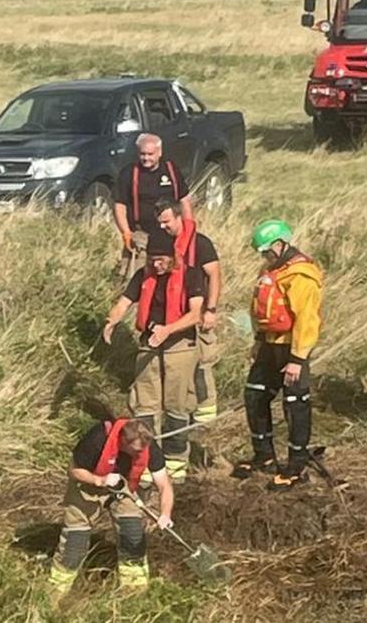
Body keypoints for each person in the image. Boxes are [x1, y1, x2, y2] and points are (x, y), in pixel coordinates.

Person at [102, 228, 204, 481]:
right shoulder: (143, 275)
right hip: (149, 345)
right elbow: (125, 302)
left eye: (162, 260)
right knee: (145, 405)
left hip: (180, 347)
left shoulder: (191, 276)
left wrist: (168, 330)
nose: (156, 265)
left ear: (173, 257)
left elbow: (195, 314)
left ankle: (176, 460)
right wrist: (111, 322)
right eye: (152, 260)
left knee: (176, 405)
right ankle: (147, 459)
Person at [235, 219, 324, 490]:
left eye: (267, 251)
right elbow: (261, 310)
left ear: (280, 243)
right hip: (269, 344)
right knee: (255, 393)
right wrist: (259, 340)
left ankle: (296, 464)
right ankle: (264, 455)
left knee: (295, 404)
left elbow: (307, 319)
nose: (265, 257)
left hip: (292, 348)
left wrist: (297, 359)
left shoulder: (300, 275)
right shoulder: (271, 271)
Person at [48, 418, 174, 603]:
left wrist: (165, 514)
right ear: (123, 441)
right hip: (88, 484)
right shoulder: (97, 439)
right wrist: (100, 480)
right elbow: (74, 470)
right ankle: (54, 596)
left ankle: (135, 596)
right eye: (136, 450)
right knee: (75, 542)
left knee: (132, 536)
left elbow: (164, 484)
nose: (140, 453)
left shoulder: (147, 444)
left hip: (123, 487)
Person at [154, 199, 222, 425]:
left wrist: (210, 309)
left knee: (202, 361)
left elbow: (214, 275)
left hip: (199, 309)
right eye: (160, 224)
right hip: (175, 313)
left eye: (167, 222)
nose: (163, 227)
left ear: (178, 217)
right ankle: (188, 407)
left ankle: (206, 409)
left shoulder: (201, 243)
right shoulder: (164, 244)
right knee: (181, 367)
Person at [114, 134, 193, 280]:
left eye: (150, 154)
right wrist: (126, 233)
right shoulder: (128, 173)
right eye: (142, 154)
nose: (146, 158)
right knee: (132, 278)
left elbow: (184, 200)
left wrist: (188, 230)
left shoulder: (171, 170)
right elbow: (120, 206)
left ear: (160, 152)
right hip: (141, 235)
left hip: (170, 235)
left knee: (174, 276)